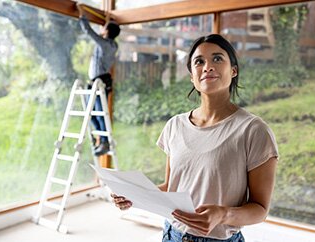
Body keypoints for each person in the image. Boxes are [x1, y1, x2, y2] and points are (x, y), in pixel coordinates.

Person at [112, 34, 279, 242]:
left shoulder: (253, 130)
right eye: (199, 61)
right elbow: (171, 186)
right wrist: (134, 196)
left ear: (234, 71)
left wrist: (223, 214)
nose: (207, 66)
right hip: (172, 235)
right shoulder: (175, 125)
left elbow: (260, 209)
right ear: (192, 75)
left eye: (217, 59)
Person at [77, 5, 121, 156]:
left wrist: (82, 14)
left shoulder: (104, 44)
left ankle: (104, 141)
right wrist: (108, 21)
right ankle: (101, 139)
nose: (102, 30)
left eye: (105, 28)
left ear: (107, 31)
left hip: (100, 82)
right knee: (91, 113)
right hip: (97, 81)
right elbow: (105, 33)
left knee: (99, 113)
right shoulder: (113, 45)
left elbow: (89, 32)